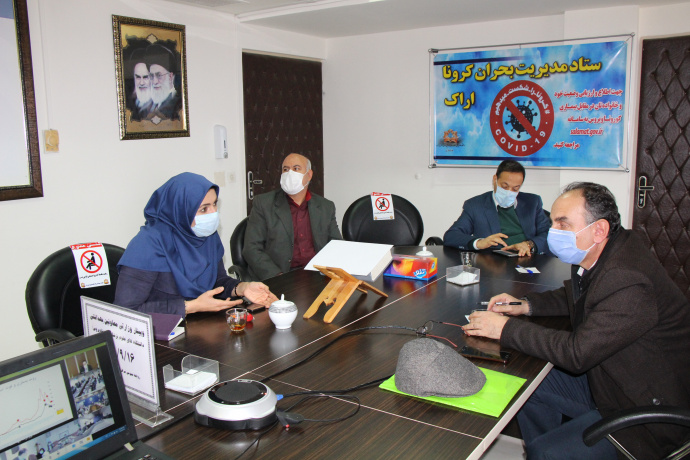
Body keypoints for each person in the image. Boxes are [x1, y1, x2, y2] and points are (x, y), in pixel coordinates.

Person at [464, 182, 690, 459]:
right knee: (526, 382)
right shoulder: (604, 252)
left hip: (647, 413)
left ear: (599, 229)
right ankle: (545, 446)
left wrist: (505, 329)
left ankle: (547, 451)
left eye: (563, 224)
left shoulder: (628, 279)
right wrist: (526, 305)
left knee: (547, 452)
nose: (553, 232)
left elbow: (576, 354)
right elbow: (578, 295)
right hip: (610, 380)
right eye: (553, 223)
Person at [114, 172, 277, 315]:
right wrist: (190, 307)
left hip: (202, 324)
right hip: (161, 332)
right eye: (204, 209)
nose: (213, 213)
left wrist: (241, 288)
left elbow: (218, 281)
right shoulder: (147, 243)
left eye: (215, 204)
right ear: (180, 210)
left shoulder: (206, 235)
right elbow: (126, 310)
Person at [243, 153, 342, 280]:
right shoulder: (264, 204)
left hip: (316, 274)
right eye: (285, 169)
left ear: (309, 175)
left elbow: (336, 245)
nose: (290, 173)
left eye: (296, 168)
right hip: (280, 275)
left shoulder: (325, 206)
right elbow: (251, 249)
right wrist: (278, 277)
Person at [443, 160, 551, 256]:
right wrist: (479, 242)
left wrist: (529, 244)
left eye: (515, 188)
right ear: (495, 179)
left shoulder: (532, 202)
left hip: (527, 260)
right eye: (505, 186)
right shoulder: (475, 205)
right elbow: (451, 236)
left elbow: (548, 233)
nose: (509, 192)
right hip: (493, 264)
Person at [145, 43, 182, 122]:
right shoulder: (151, 105)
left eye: (159, 75)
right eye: (151, 76)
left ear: (170, 76)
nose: (154, 81)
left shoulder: (178, 104)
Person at [127, 48, 152, 121]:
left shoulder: (164, 105)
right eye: (138, 77)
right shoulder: (128, 105)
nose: (141, 83)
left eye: (145, 77)